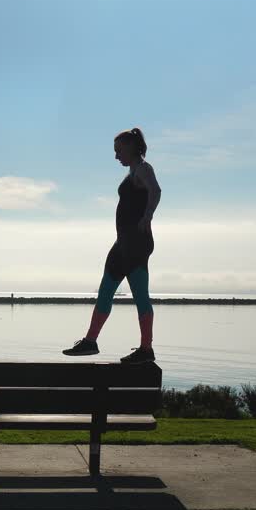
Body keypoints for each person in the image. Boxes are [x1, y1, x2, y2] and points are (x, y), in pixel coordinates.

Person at [63, 127, 161, 363]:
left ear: (131, 148)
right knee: (105, 291)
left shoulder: (143, 169)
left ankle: (146, 349)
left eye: (119, 150)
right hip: (123, 243)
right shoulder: (132, 172)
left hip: (136, 244)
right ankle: (90, 342)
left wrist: (147, 216)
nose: (116, 156)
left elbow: (155, 190)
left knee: (140, 296)